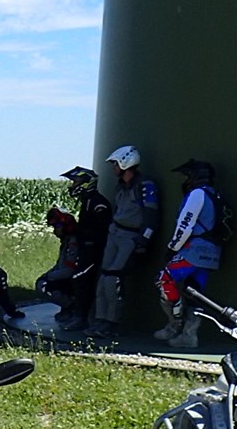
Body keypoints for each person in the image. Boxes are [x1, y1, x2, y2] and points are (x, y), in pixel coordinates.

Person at [155, 158, 224, 349]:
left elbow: (185, 224)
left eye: (186, 176)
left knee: (164, 279)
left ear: (194, 177)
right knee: (195, 292)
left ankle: (174, 325)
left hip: (194, 250)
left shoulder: (197, 194)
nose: (184, 180)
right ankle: (189, 335)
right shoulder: (215, 194)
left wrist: (172, 248)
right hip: (212, 253)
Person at [91, 144, 159, 337]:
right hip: (115, 233)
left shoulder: (146, 186)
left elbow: (151, 216)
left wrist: (143, 241)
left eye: (115, 164)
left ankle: (111, 323)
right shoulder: (120, 186)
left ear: (125, 163)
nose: (113, 168)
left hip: (130, 236)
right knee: (103, 277)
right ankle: (100, 320)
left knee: (113, 278)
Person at [51, 166, 110, 332]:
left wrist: (76, 230)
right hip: (86, 248)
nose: (73, 185)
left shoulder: (98, 203)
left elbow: (98, 230)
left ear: (86, 183)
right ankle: (77, 315)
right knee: (78, 282)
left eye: (76, 181)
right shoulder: (88, 201)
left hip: (94, 250)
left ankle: (83, 318)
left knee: (82, 281)